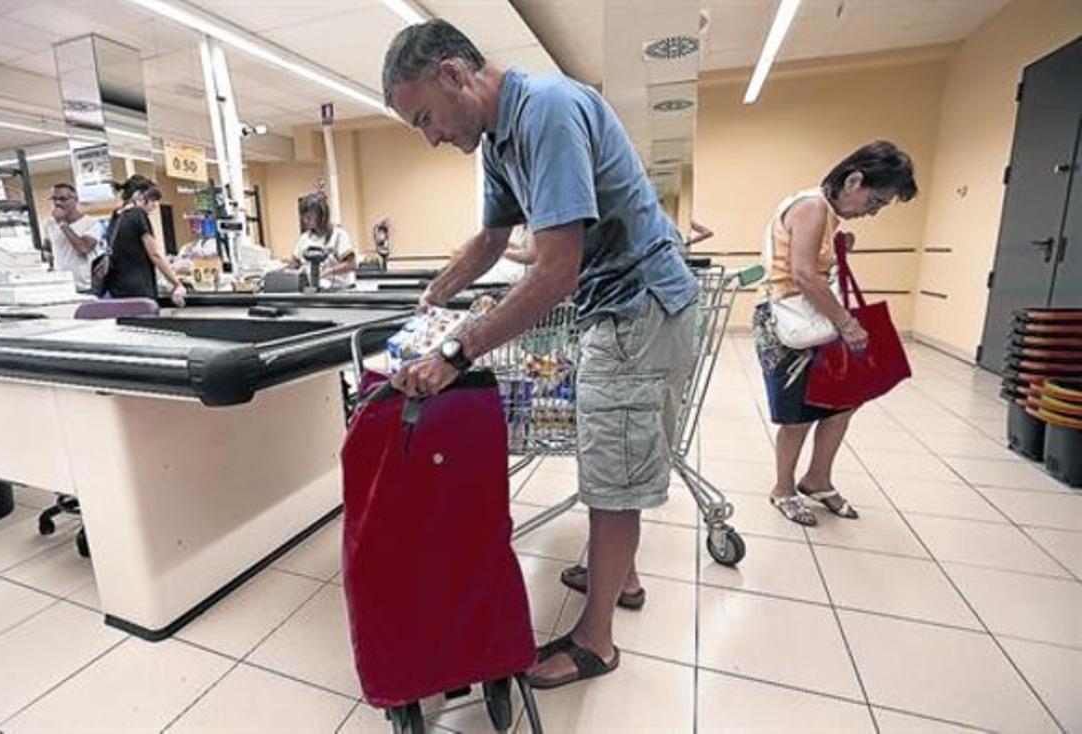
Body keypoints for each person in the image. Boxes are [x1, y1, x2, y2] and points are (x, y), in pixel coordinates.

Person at [382, 19, 701, 689]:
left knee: (612, 477)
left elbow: (556, 268)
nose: (432, 137)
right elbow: (494, 241)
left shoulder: (548, 111)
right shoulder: (498, 142)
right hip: (615, 306)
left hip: (640, 306)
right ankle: (624, 576)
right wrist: (438, 292)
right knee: (610, 453)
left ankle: (597, 642)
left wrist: (455, 350)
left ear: (454, 76)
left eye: (426, 119)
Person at [754, 140, 917, 525]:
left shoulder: (827, 214)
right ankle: (783, 488)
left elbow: (813, 263)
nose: (873, 212)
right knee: (798, 414)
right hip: (789, 324)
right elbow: (803, 274)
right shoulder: (812, 207)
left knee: (841, 400)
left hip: (814, 320)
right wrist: (846, 322)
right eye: (874, 201)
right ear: (854, 180)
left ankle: (817, 479)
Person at [102, 174, 187, 307]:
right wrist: (176, 283)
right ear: (139, 196)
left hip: (118, 289)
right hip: (138, 290)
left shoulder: (116, 217)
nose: (154, 206)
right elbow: (155, 255)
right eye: (152, 200)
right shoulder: (137, 214)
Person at [43, 183, 102, 292]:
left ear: (75, 200)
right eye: (54, 199)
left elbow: (83, 249)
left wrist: (62, 223)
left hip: (85, 287)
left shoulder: (91, 223)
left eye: (63, 199)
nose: (57, 203)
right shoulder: (49, 224)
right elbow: (48, 250)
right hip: (62, 287)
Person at [292, 193, 356, 289]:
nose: (305, 220)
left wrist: (328, 271)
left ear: (322, 216)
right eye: (304, 217)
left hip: (338, 290)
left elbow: (351, 264)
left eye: (309, 217)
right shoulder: (304, 239)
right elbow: (295, 264)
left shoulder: (338, 235)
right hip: (313, 290)